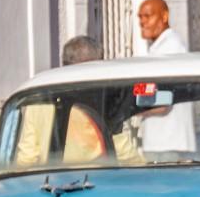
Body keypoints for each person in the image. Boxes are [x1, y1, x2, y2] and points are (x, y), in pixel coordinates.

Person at [15, 36, 138, 166]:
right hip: (94, 180)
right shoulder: (98, 101)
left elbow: (26, 157)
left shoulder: (39, 100)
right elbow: (122, 149)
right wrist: (142, 168)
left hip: (52, 181)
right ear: (93, 65)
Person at [136, 0, 196, 157]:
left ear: (164, 17)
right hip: (163, 141)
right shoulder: (161, 47)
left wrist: (131, 110)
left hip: (167, 143)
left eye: (148, 16)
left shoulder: (170, 48)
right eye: (140, 17)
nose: (142, 22)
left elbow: (162, 101)